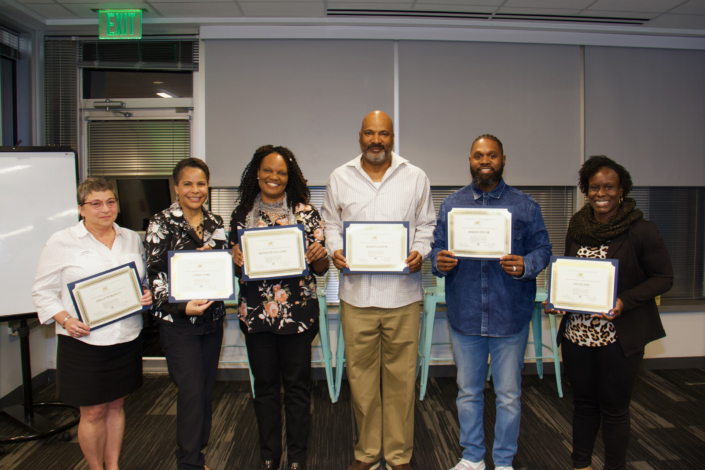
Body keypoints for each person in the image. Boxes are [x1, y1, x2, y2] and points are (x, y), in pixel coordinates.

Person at [321, 110, 436, 470]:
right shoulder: (340, 177)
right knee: (361, 379)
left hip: (403, 296)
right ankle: (368, 452)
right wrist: (335, 248)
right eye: (370, 133)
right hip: (357, 296)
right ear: (360, 136)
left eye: (383, 134)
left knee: (402, 379)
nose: (376, 140)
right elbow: (330, 223)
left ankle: (399, 455)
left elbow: (427, 225)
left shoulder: (415, 177)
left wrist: (421, 251)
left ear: (392, 137)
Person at [431, 134, 552, 470]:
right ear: (470, 160)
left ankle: (503, 461)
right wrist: (437, 261)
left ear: (502, 160)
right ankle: (471, 458)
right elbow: (436, 248)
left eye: (492, 155)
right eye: (478, 155)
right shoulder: (452, 204)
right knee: (467, 393)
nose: (484, 161)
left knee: (508, 396)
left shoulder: (525, 205)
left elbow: (543, 249)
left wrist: (526, 265)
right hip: (465, 315)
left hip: (509, 316)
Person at [546, 155, 673, 470]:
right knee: (584, 406)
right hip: (577, 335)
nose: (600, 194)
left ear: (622, 190)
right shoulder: (578, 226)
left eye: (608, 187)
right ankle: (581, 465)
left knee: (615, 409)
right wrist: (559, 299)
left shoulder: (641, 230)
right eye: (594, 188)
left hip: (620, 337)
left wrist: (623, 301)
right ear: (586, 190)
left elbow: (664, 278)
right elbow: (571, 272)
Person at [32, 177, 152, 470]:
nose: (105, 209)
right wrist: (65, 319)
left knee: (116, 406)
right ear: (81, 208)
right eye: (96, 203)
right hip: (84, 341)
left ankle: (113, 466)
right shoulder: (62, 241)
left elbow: (141, 281)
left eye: (110, 202)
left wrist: (145, 293)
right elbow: (42, 291)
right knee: (94, 411)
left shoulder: (131, 238)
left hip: (125, 337)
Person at [229, 145, 329, 470]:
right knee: (266, 388)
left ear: (290, 178)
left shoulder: (306, 213)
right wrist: (234, 258)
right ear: (256, 173)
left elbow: (322, 268)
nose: (274, 177)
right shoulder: (241, 215)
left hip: (298, 316)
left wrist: (319, 256)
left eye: (281, 172)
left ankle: (298, 457)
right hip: (257, 317)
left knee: (298, 388)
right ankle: (270, 456)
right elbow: (234, 266)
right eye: (268, 170)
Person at [144, 158, 227, 470]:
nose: (196, 190)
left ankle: (198, 455)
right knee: (191, 392)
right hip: (179, 323)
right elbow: (154, 277)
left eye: (201, 183)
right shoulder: (161, 223)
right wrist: (181, 306)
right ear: (175, 187)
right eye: (188, 184)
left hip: (211, 320)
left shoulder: (216, 222)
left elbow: (221, 271)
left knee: (205, 391)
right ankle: (188, 463)